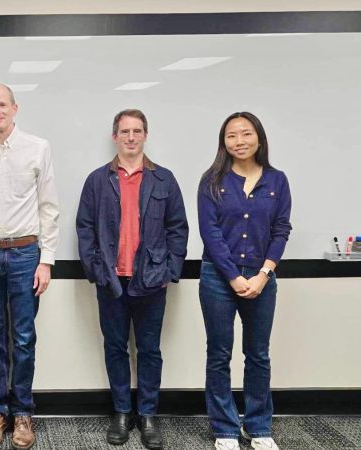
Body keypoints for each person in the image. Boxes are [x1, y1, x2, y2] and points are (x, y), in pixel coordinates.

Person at [76, 109, 188, 449]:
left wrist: (169, 270)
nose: (130, 137)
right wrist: (96, 270)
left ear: (145, 135)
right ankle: (122, 412)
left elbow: (178, 228)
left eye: (137, 131)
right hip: (112, 281)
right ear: (115, 136)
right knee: (115, 347)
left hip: (151, 280)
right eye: (124, 131)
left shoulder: (164, 179)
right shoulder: (98, 180)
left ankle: (148, 414)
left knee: (149, 349)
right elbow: (85, 228)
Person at [0, 84, 60, 450]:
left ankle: (22, 412)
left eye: (2, 104)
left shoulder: (38, 147)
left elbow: (48, 206)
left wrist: (46, 260)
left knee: (23, 337)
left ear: (15, 108)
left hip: (25, 255)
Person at [197, 112, 292, 450]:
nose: (239, 141)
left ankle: (258, 427)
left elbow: (281, 229)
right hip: (217, 277)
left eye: (246, 133)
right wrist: (234, 277)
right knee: (219, 354)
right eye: (231, 136)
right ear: (223, 143)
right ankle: (225, 429)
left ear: (259, 138)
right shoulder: (212, 181)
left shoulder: (277, 180)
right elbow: (210, 233)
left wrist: (264, 273)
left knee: (258, 355)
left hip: (262, 277)